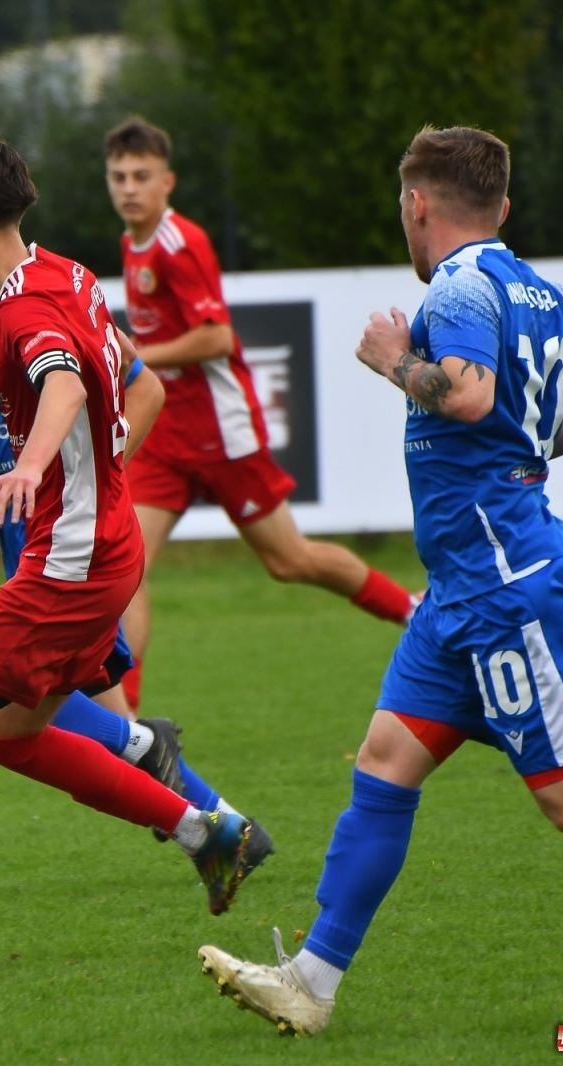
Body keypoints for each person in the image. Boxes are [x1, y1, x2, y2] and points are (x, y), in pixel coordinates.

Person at [197, 125, 563, 1035]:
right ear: (504, 208)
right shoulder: (539, 288)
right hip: (459, 591)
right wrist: (534, 442)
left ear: (416, 204)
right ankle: (311, 985)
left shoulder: (461, 285)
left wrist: (392, 363)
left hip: (505, 585)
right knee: (385, 762)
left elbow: (471, 394)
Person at [0, 133, 262, 979]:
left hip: (63, 567)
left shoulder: (23, 312)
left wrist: (33, 463)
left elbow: (64, 381)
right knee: (9, 736)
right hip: (105, 550)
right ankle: (205, 829)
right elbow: (104, 378)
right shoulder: (64, 273)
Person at [0, 243, 274, 844]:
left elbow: (144, 391)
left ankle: (170, 776)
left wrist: (99, 480)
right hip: (31, 563)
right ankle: (226, 828)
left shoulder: (39, 312)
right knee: (72, 721)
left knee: (6, 717)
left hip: (73, 560)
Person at [103, 117, 417, 711]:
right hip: (166, 435)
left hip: (223, 432)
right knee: (126, 567)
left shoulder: (180, 243)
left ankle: (413, 610)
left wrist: (137, 356)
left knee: (289, 560)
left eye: (141, 176)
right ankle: (129, 726)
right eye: (118, 176)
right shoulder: (132, 243)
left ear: (167, 182)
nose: (128, 187)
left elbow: (217, 338)